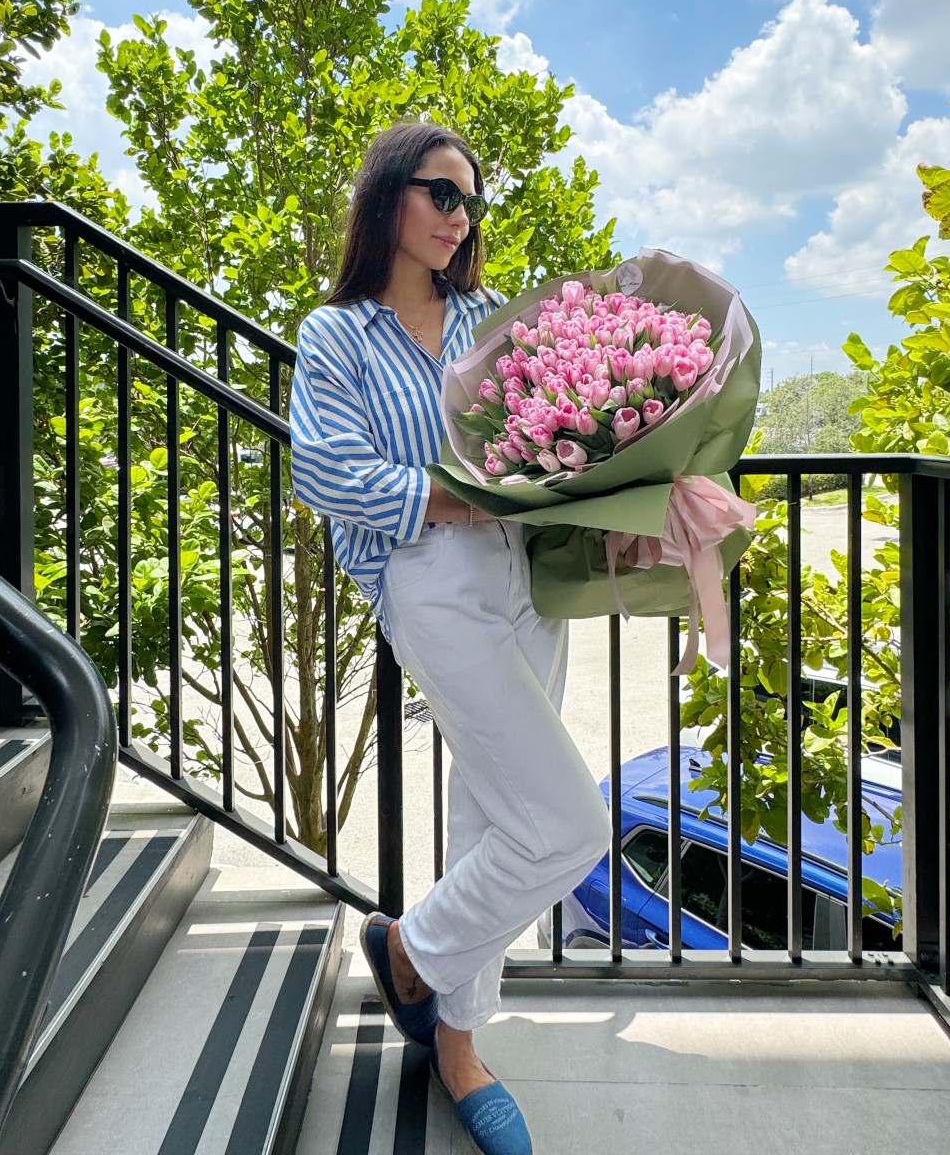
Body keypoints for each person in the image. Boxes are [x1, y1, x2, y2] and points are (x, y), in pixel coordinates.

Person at [289, 122, 611, 1155]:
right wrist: (456, 499)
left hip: (530, 573)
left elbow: (551, 434)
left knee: (496, 810)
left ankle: (459, 1048)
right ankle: (411, 955)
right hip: (425, 572)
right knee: (570, 823)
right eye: (442, 192)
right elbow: (325, 471)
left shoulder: (491, 317)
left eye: (470, 201)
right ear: (389, 194)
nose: (459, 216)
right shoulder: (338, 334)